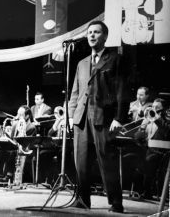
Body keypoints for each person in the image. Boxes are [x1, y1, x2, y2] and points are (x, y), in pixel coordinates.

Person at [68, 20, 127, 213]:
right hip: (81, 118)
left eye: (96, 32)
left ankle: (116, 202)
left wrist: (119, 118)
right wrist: (71, 115)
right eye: (89, 32)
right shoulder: (82, 63)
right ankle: (83, 199)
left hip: (104, 118)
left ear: (105, 36)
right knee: (81, 161)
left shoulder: (115, 59)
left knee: (107, 160)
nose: (92, 35)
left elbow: (121, 91)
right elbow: (75, 92)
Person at [123, 98, 170, 199]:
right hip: (147, 149)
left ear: (164, 109)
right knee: (127, 158)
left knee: (150, 161)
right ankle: (136, 190)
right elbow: (137, 137)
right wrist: (142, 127)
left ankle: (146, 191)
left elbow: (167, 130)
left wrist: (156, 119)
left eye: (157, 108)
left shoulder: (165, 121)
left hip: (160, 152)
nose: (153, 109)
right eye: (153, 107)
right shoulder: (149, 120)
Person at [0, 105, 37, 183]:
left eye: (21, 115)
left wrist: (22, 131)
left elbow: (26, 143)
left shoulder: (31, 127)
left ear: (27, 116)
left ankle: (8, 176)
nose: (17, 116)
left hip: (25, 150)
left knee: (13, 152)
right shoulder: (15, 124)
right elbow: (12, 139)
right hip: (15, 147)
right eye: (17, 114)